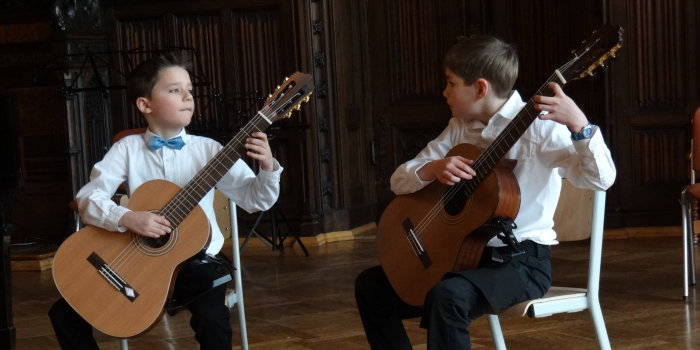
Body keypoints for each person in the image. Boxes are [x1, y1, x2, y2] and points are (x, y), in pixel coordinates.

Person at [355, 35, 616, 349]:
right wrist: (432, 168)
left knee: (448, 296)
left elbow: (602, 179)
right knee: (371, 286)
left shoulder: (542, 129)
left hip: (520, 264)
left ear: (480, 88)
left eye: (451, 83)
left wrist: (581, 127)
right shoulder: (459, 128)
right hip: (462, 259)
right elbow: (399, 181)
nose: (444, 92)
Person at [48, 50, 283, 350]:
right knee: (63, 314)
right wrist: (127, 217)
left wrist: (267, 166)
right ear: (145, 104)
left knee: (212, 319)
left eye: (190, 90)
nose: (187, 96)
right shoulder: (127, 149)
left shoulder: (211, 151)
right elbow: (88, 197)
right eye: (175, 90)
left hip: (196, 266)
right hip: (135, 263)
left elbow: (256, 199)